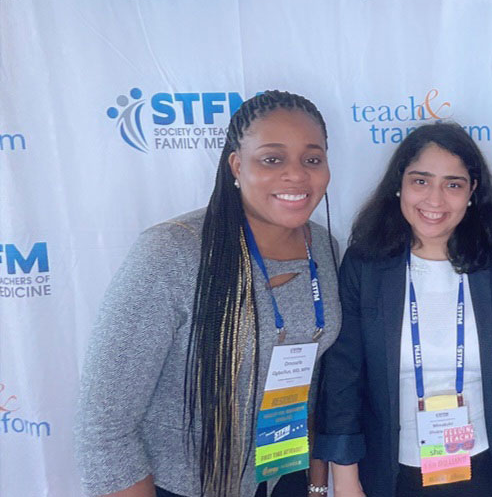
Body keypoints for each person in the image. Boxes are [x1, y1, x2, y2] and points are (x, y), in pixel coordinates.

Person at [75, 90, 342, 497]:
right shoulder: (173, 253)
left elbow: (316, 380)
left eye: (312, 159)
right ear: (237, 165)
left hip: (283, 475)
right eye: (272, 159)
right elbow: (104, 427)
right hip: (181, 486)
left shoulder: (322, 247)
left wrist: (318, 487)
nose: (296, 175)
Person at [314, 122, 492, 497]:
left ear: (473, 191)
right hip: (391, 471)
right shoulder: (365, 265)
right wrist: (346, 479)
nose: (435, 200)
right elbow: (344, 376)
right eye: (421, 181)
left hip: (489, 467)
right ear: (400, 185)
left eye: (453, 184)